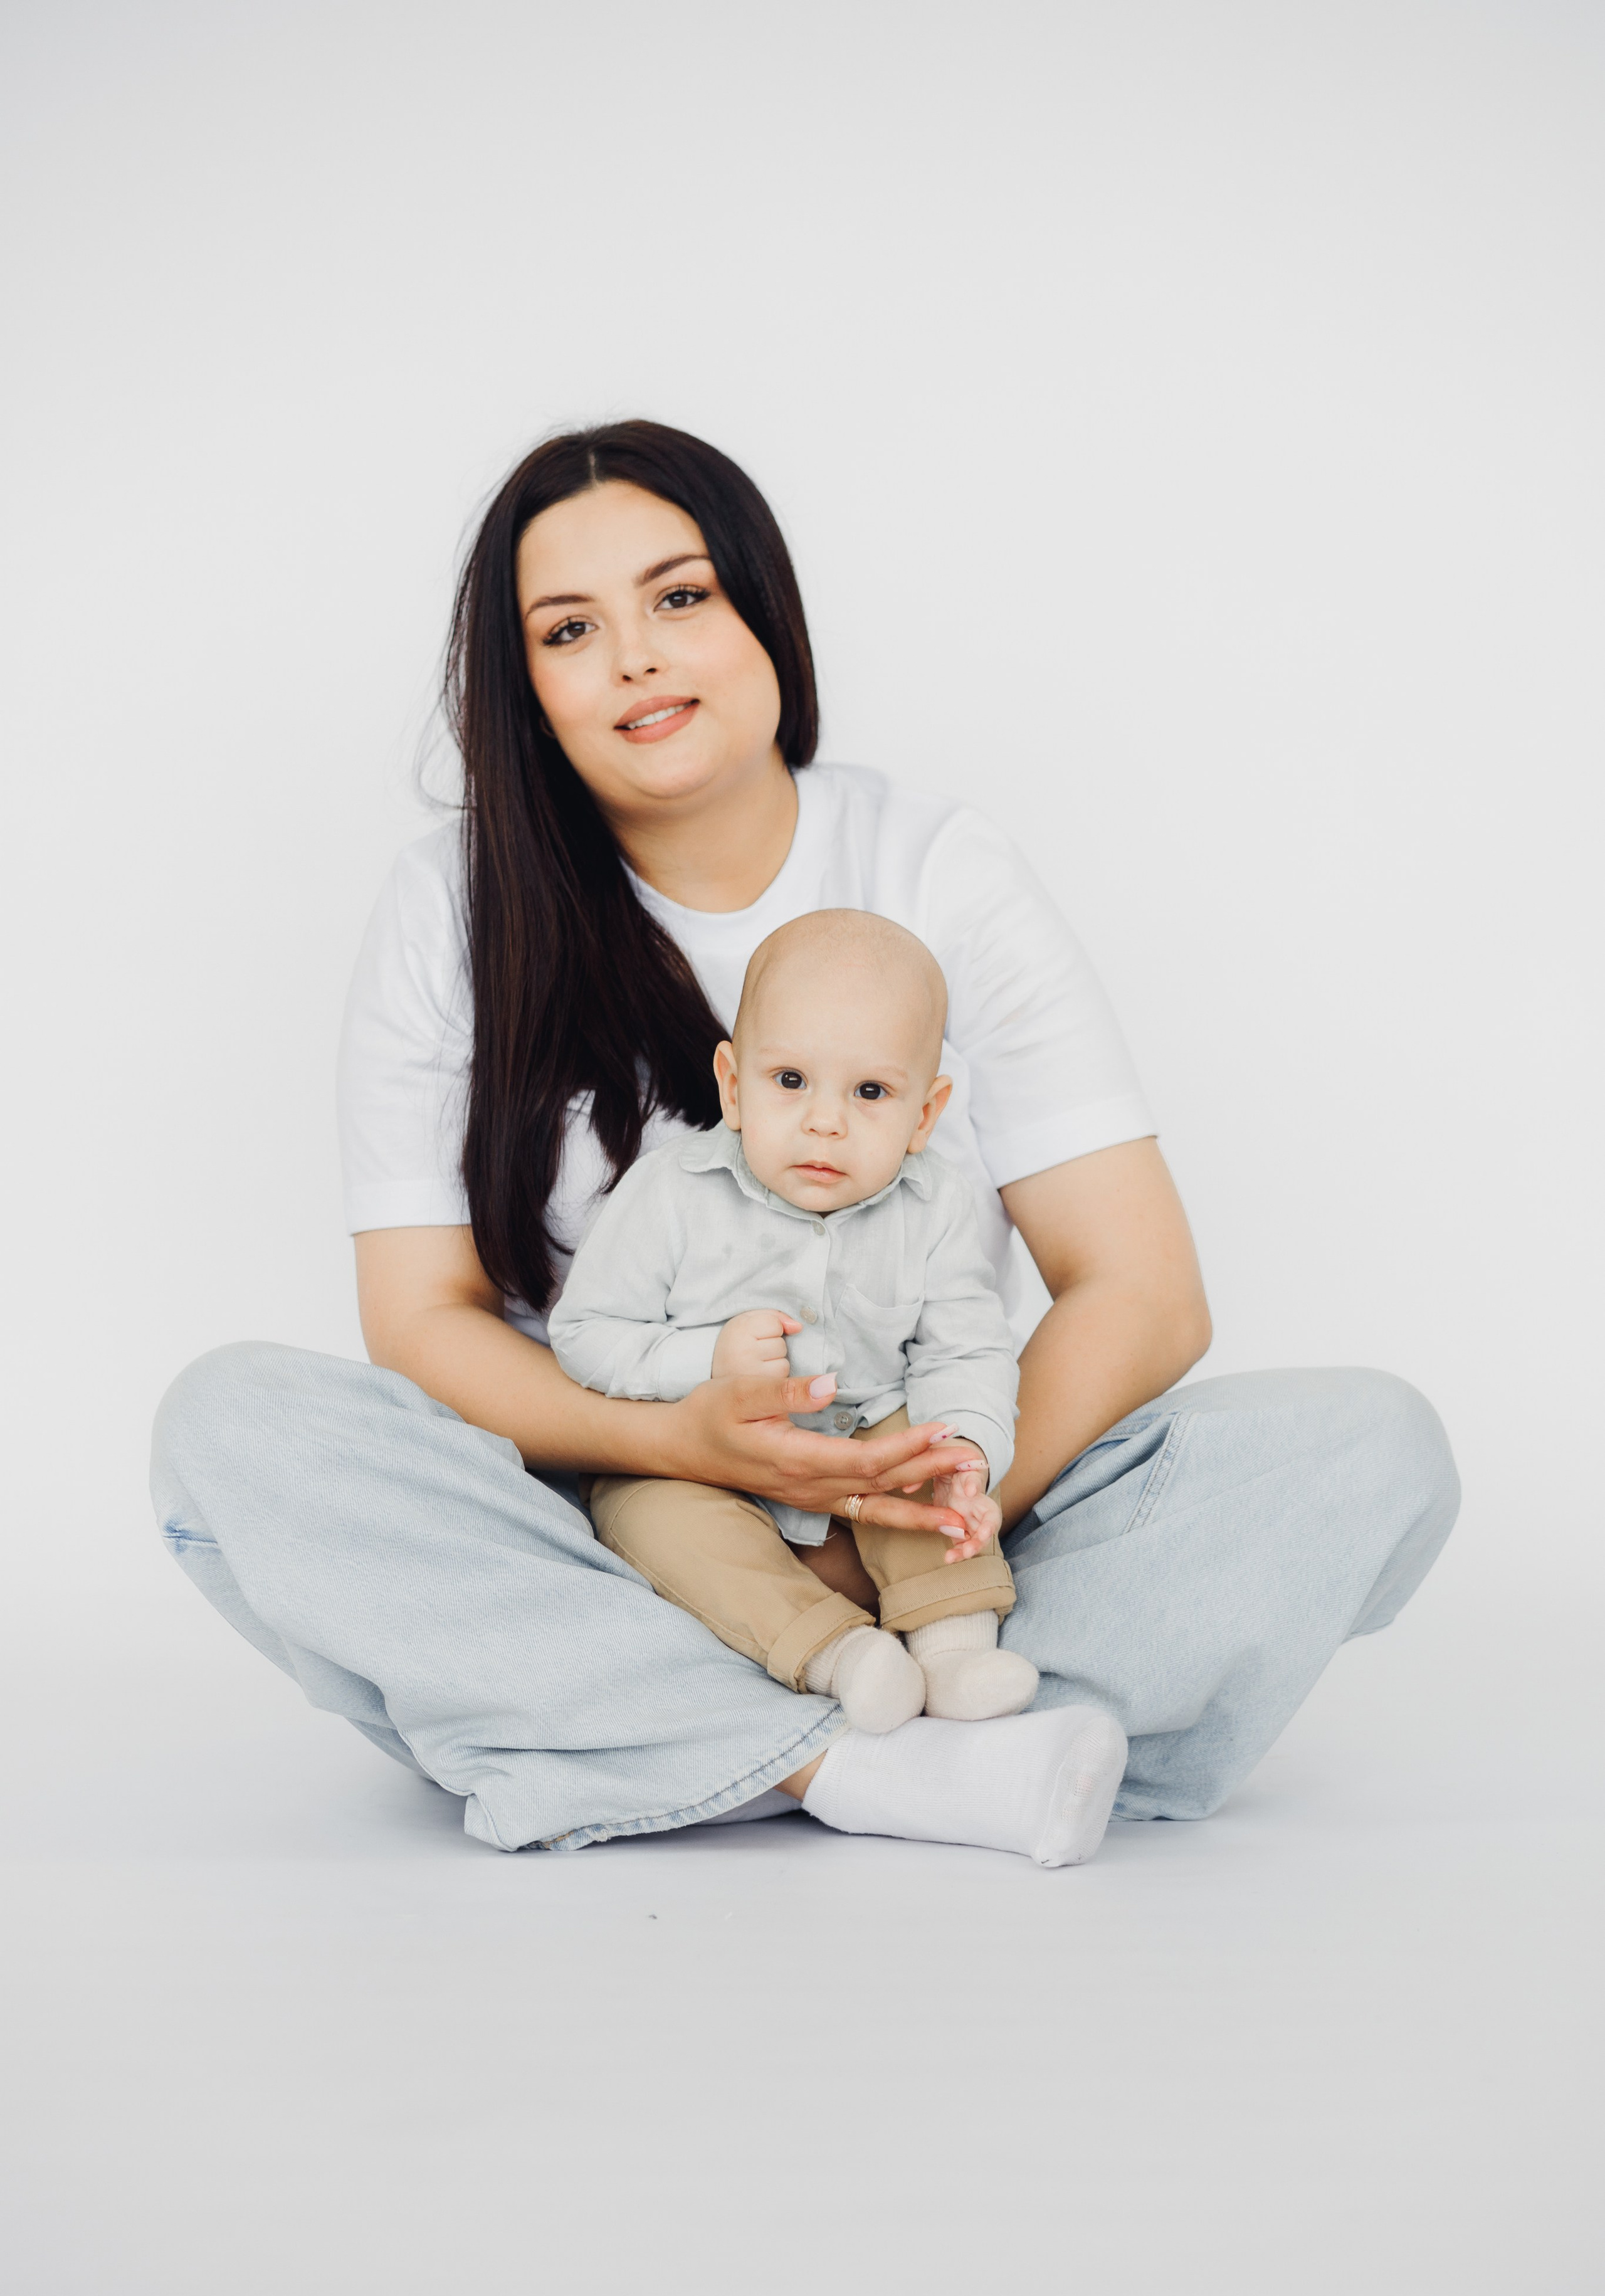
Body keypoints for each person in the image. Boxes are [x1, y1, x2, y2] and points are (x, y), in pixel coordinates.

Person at [150, 418, 1460, 1865]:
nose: (638, 656)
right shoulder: (449, 910)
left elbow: (1142, 1295)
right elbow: (423, 1320)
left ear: (761, 611)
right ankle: (873, 1765)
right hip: (603, 1518)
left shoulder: (935, 868)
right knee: (234, 1434)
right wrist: (692, 1452)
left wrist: (907, 1505)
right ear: (525, 690)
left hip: (936, 1502)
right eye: (571, 628)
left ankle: (659, 1724)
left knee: (1366, 1454)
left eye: (680, 596)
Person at [551, 906, 1051, 1735]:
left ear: (924, 1117)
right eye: (790, 1081)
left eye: (870, 1092)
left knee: (930, 1462)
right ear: (733, 1084)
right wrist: (707, 1358)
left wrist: (967, 1444)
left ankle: (954, 1647)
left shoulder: (936, 1208)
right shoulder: (670, 1193)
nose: (827, 1121)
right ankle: (840, 1657)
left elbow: (966, 1348)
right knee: (652, 1520)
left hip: (865, 1416)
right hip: (697, 1452)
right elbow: (586, 1335)